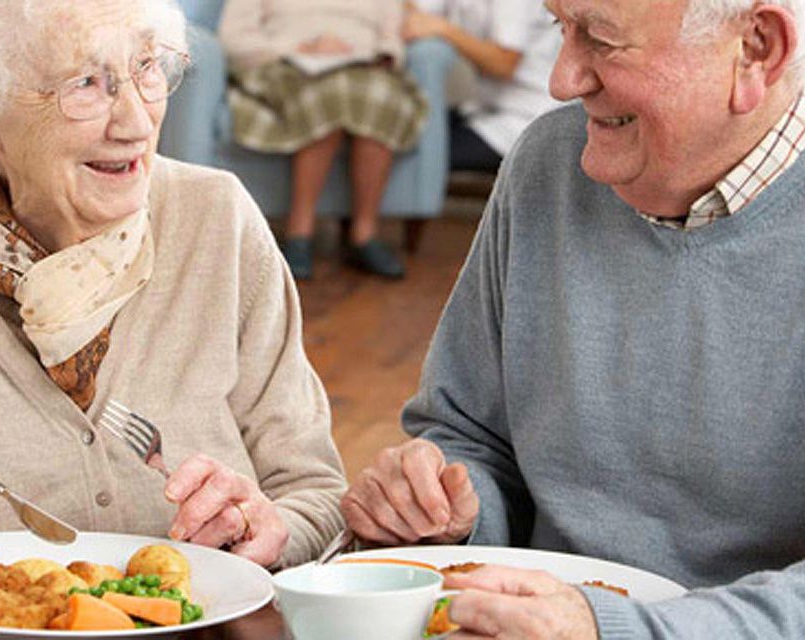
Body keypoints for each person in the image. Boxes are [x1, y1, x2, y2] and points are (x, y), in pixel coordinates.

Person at [343, 0, 805, 636]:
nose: (562, 80)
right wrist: (451, 505)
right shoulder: (547, 162)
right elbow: (469, 433)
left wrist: (609, 629)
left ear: (757, 46)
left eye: (603, 40)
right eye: (562, 27)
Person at [0, 0, 346, 570]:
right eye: (86, 83)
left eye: (146, 69)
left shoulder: (215, 220)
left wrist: (272, 528)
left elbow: (318, 493)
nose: (136, 124)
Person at [218, 0, 428, 280]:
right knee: (332, 95)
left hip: (362, 68)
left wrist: (370, 55)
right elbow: (232, 37)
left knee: (378, 96)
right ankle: (299, 231)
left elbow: (392, 40)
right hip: (286, 66)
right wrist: (293, 50)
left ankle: (364, 234)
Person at [403, 0, 561, 172]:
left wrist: (444, 30)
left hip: (527, 118)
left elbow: (504, 63)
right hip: (486, 110)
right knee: (406, 130)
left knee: (421, 153)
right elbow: (416, 14)